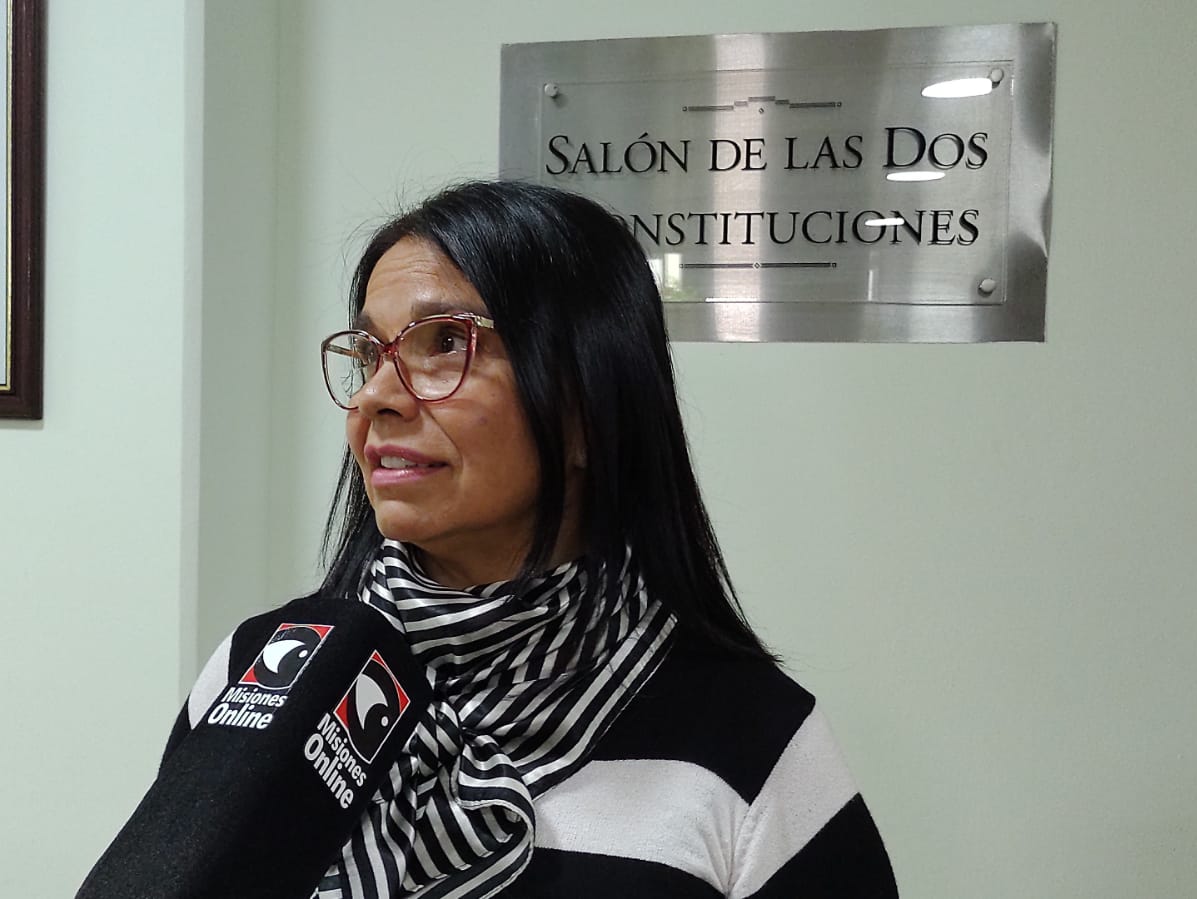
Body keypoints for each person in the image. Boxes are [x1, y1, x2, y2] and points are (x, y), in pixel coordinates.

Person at [169, 181, 897, 897]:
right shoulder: (260, 673)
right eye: (369, 354)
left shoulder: (758, 741)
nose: (375, 397)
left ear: (587, 409)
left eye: (444, 342)